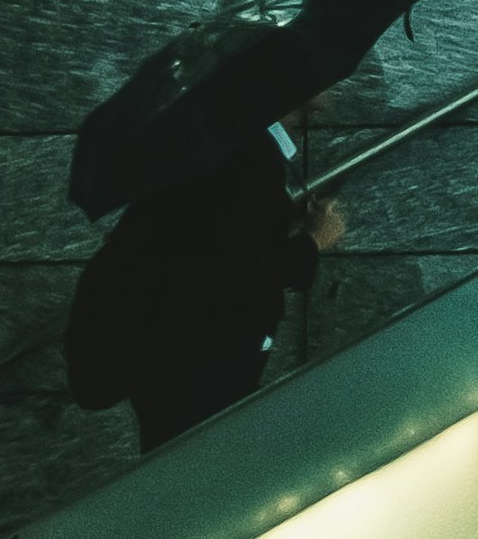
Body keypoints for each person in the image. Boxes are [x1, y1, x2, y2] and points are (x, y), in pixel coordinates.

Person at [64, 109, 350, 453]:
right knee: (200, 458)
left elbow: (219, 243)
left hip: (170, 349)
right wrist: (314, 239)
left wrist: (280, 217)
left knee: (177, 455)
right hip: (199, 355)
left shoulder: (221, 148)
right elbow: (246, 269)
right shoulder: (252, 157)